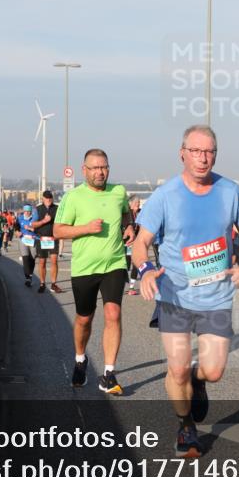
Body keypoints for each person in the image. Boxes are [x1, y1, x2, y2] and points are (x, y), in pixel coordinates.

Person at [134, 125, 239, 458]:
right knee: (176, 367)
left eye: (210, 152)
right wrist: (145, 271)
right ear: (182, 153)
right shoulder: (165, 195)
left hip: (215, 295)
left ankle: (197, 381)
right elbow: (141, 242)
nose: (203, 158)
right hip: (174, 294)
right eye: (197, 151)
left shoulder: (230, 192)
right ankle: (185, 425)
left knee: (214, 371)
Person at [54, 149, 135, 395]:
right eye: (95, 168)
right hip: (84, 267)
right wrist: (86, 228)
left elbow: (125, 211)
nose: (100, 172)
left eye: (104, 167)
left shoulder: (118, 191)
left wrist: (129, 226)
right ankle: (80, 359)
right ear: (84, 170)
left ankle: (109, 374)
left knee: (113, 313)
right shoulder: (73, 197)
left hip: (114, 263)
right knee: (84, 319)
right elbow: (58, 231)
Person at [32, 190, 63, 294]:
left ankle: (54, 284)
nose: (48, 200)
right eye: (46, 198)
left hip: (53, 239)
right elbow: (33, 225)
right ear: (43, 198)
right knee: (42, 262)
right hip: (42, 239)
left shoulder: (57, 209)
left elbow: (61, 223)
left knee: (54, 261)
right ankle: (42, 284)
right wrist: (44, 221)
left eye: (50, 198)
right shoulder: (37, 209)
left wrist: (57, 234)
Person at [124, 195, 142, 295]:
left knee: (136, 265)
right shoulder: (126, 214)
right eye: (136, 203)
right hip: (126, 242)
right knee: (126, 265)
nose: (138, 205)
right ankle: (122, 285)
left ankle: (131, 287)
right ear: (130, 204)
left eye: (139, 203)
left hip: (136, 243)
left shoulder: (140, 212)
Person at [17, 205, 39, 286]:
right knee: (25, 258)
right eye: (25, 211)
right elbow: (16, 227)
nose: (27, 213)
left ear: (31, 211)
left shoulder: (35, 218)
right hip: (23, 239)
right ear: (23, 211)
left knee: (32, 258)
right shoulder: (19, 218)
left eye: (29, 211)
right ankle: (27, 278)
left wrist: (31, 229)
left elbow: (39, 228)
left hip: (33, 239)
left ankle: (30, 274)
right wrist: (17, 232)